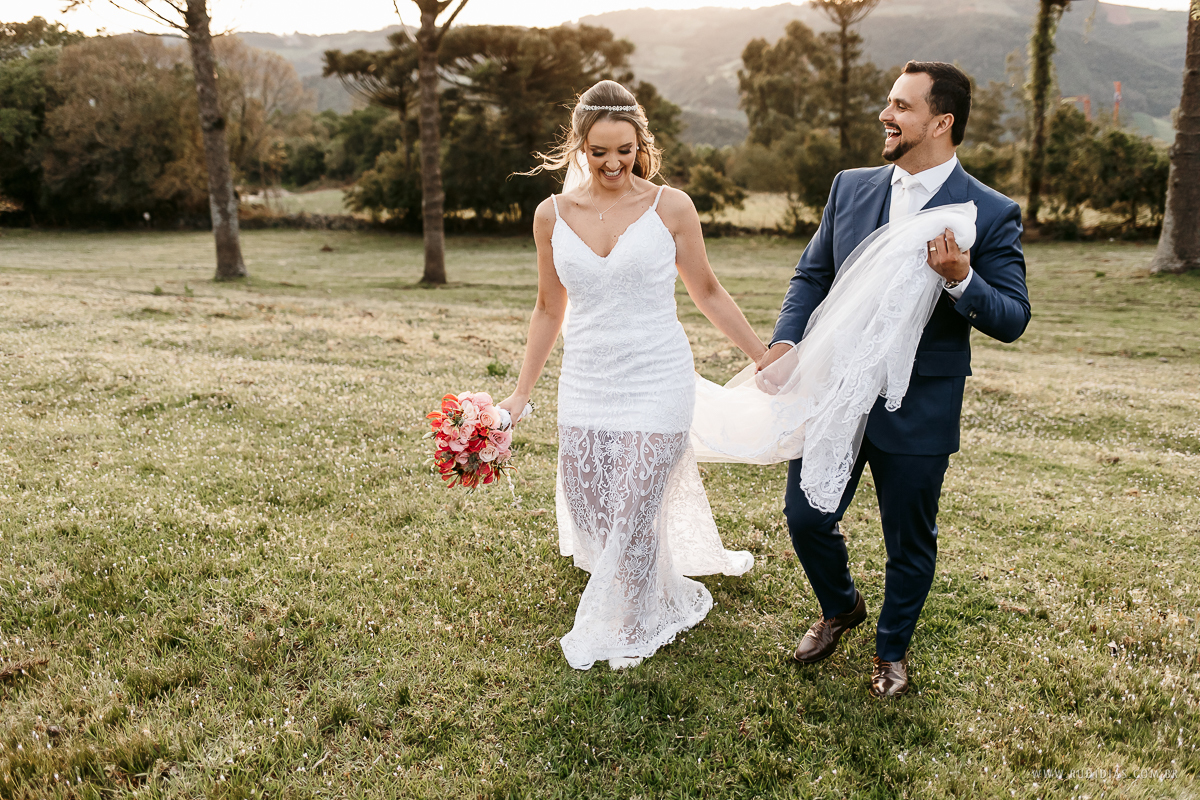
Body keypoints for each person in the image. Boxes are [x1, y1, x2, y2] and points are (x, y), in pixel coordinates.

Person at [757, 61, 1031, 697]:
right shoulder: (849, 187)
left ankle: (891, 651)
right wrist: (785, 339)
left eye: (902, 107)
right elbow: (811, 275)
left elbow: (1013, 318)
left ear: (942, 122)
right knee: (806, 516)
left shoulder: (989, 212)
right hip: (835, 390)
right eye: (889, 104)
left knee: (909, 538)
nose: (886, 116)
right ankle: (840, 605)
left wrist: (962, 279)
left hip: (919, 403)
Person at [498, 80, 762, 671]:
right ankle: (643, 587)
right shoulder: (551, 216)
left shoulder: (671, 207)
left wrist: (761, 353)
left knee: (636, 505)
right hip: (588, 381)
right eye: (599, 152)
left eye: (625, 149)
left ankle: (631, 621)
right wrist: (520, 395)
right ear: (579, 149)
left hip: (657, 378)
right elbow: (547, 307)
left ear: (642, 143)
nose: (614, 163)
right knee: (595, 511)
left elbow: (708, 291)